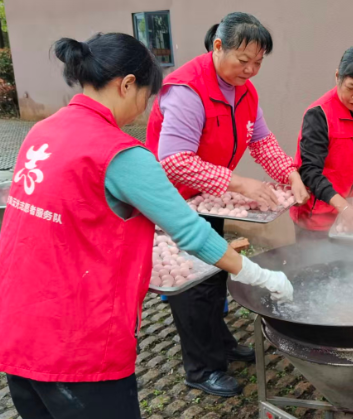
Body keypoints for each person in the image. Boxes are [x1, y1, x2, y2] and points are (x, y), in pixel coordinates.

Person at [0, 33, 292, 419]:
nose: (145, 109)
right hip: (79, 348)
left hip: (18, 331)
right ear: (127, 85)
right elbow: (190, 232)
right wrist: (260, 276)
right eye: (146, 96)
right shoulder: (119, 153)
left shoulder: (41, 133)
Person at [145, 12, 308, 397]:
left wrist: (290, 174)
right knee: (192, 284)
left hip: (208, 199)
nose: (250, 70)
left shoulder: (245, 92)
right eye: (243, 60)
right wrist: (239, 183)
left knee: (217, 271)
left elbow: (262, 142)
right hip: (173, 203)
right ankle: (202, 368)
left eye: (258, 63)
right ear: (218, 46)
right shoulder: (187, 89)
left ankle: (219, 341)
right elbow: (174, 160)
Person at [291, 46, 353, 239]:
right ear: (338, 76)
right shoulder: (319, 115)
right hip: (317, 220)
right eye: (351, 88)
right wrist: (343, 206)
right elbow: (309, 171)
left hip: (350, 215)